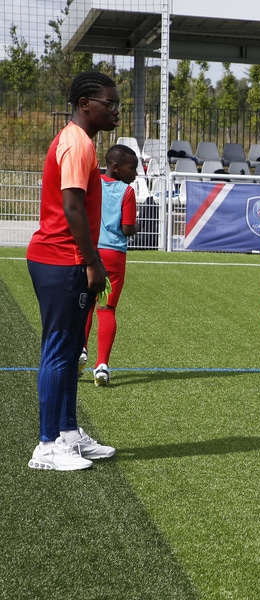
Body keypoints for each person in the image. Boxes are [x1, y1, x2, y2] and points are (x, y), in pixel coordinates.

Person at [25, 71, 119, 470]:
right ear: (85, 104)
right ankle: (46, 446)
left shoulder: (79, 141)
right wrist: (92, 263)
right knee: (60, 350)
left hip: (65, 259)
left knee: (69, 351)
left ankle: (67, 433)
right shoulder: (76, 143)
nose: (115, 111)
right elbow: (72, 207)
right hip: (62, 259)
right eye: (109, 104)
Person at [83, 144, 139, 386]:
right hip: (114, 254)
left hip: (90, 251)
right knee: (107, 309)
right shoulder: (126, 192)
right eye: (132, 168)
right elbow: (127, 229)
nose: (135, 173)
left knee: (85, 305)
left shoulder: (91, 183)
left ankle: (80, 351)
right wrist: (135, 227)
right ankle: (102, 366)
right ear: (116, 168)